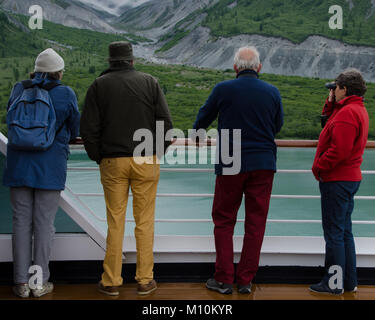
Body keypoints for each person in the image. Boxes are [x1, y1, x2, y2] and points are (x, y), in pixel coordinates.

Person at [80, 41, 173, 296]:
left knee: (115, 221)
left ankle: (111, 281)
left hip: (112, 161)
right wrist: (155, 152)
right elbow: (166, 122)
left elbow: (88, 127)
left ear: (111, 62)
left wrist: (99, 156)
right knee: (144, 222)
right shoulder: (150, 82)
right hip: (145, 160)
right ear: (132, 60)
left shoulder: (99, 85)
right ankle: (144, 280)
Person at [193, 46, 284, 294]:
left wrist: (198, 134)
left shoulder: (224, 89)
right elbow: (277, 126)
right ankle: (245, 280)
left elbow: (202, 121)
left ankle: (223, 279)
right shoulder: (272, 91)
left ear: (235, 68)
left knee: (224, 220)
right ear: (259, 67)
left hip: (230, 160)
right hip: (263, 163)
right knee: (256, 223)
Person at [3, 48, 80, 298]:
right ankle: (39, 283)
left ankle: (21, 283)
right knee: (45, 225)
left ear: (36, 70)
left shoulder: (18, 88)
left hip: (18, 165)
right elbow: (75, 128)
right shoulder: (66, 93)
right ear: (59, 72)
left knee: (21, 224)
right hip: (50, 167)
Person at [310, 69, 369, 295]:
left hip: (337, 180)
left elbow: (340, 150)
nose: (332, 91)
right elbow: (329, 126)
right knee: (344, 233)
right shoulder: (355, 109)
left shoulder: (347, 114)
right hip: (349, 178)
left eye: (335, 88)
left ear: (344, 89)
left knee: (334, 235)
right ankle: (349, 281)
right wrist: (331, 104)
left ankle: (332, 284)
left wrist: (319, 167)